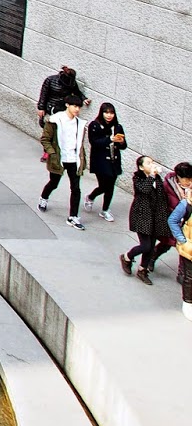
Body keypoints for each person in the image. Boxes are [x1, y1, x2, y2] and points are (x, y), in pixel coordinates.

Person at [122, 156, 173, 284]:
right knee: (145, 245)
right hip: (142, 216)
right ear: (141, 167)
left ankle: (142, 269)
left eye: (152, 163)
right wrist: (151, 176)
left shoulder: (157, 179)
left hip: (155, 217)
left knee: (150, 247)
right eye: (148, 163)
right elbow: (144, 190)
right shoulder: (138, 178)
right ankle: (127, 257)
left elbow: (162, 196)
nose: (152, 165)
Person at [39, 95, 88, 228]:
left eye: (79, 107)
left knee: (76, 188)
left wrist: (82, 159)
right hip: (59, 159)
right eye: (74, 106)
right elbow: (45, 139)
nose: (77, 109)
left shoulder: (80, 123)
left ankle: (73, 217)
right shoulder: (55, 120)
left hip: (74, 159)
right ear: (67, 105)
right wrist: (52, 153)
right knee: (54, 183)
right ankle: (44, 197)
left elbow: (80, 144)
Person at [84, 103, 126, 221]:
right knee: (103, 186)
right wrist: (110, 139)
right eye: (106, 112)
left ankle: (105, 210)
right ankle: (91, 197)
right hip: (100, 160)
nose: (109, 115)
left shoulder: (117, 127)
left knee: (110, 187)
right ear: (101, 113)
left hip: (114, 161)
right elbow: (94, 142)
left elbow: (123, 146)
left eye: (111, 113)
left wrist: (121, 141)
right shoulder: (95, 125)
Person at [171, 162, 192, 321]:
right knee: (190, 277)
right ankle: (188, 302)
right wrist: (182, 240)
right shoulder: (186, 204)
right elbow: (173, 220)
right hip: (189, 247)